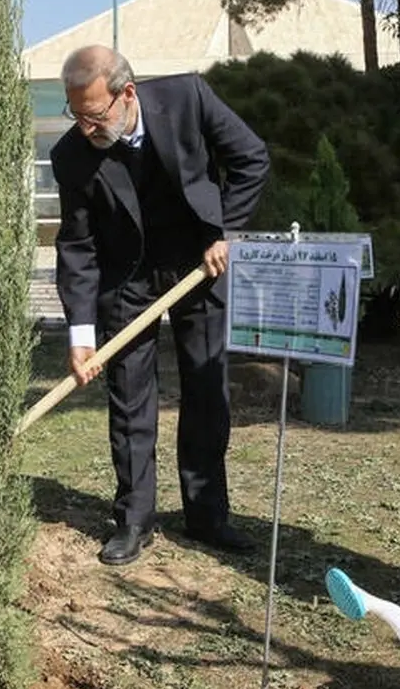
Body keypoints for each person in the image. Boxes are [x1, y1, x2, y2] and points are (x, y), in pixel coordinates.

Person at [51, 45, 270, 566]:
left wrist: (227, 231)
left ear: (127, 94)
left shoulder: (187, 97)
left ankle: (207, 514)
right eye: (75, 114)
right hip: (127, 277)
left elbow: (250, 158)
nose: (85, 127)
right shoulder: (71, 156)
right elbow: (78, 248)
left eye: (94, 114)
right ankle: (133, 519)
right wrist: (82, 338)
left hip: (201, 261)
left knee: (206, 387)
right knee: (129, 395)